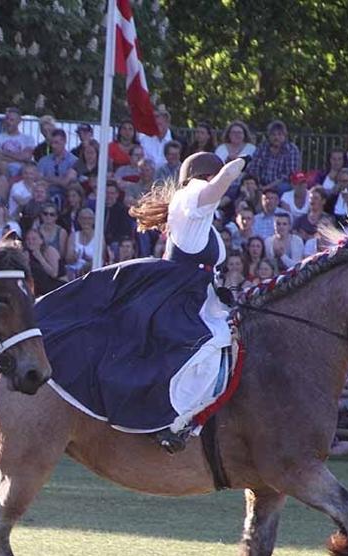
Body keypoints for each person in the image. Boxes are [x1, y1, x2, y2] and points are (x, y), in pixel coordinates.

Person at [35, 152, 247, 453]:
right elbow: (217, 188)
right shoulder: (192, 194)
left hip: (197, 294)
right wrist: (236, 167)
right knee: (207, 348)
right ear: (205, 176)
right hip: (177, 297)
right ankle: (172, 422)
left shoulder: (200, 215)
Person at [249, 120, 301, 193]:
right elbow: (254, 168)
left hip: (281, 184)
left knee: (283, 187)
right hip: (261, 183)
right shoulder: (262, 147)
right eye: (273, 135)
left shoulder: (291, 149)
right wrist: (258, 183)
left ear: (285, 136)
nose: (276, 137)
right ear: (269, 136)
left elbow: (289, 175)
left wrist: (267, 187)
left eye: (279, 134)